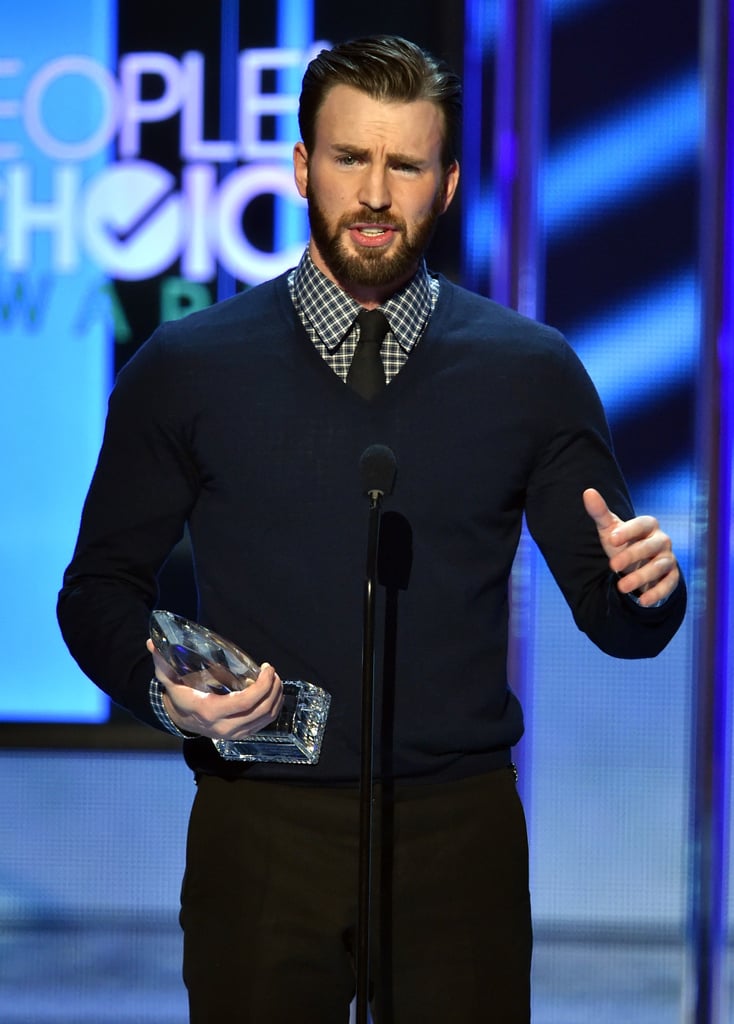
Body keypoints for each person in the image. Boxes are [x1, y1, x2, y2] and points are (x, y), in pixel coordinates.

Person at [57, 35, 686, 1024]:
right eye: (350, 159)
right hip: (260, 824)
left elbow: (619, 616)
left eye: (404, 165)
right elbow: (95, 590)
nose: (376, 194)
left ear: (446, 184)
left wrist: (650, 587)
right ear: (303, 168)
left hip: (457, 835)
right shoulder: (187, 368)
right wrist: (158, 687)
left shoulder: (528, 370)